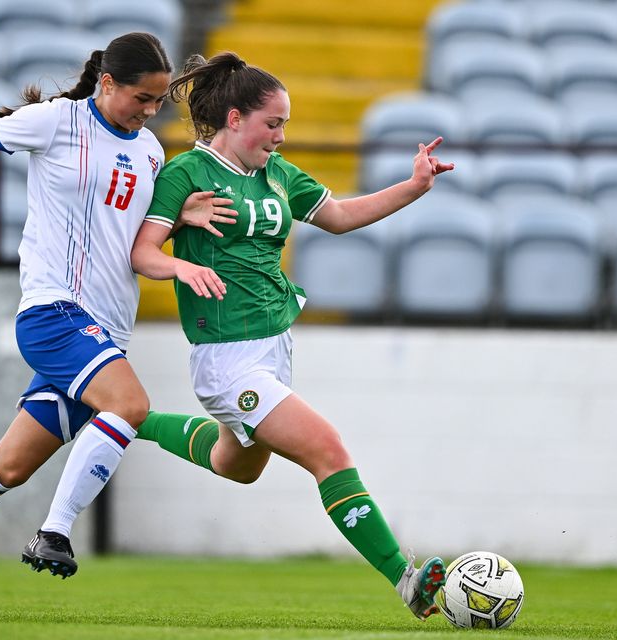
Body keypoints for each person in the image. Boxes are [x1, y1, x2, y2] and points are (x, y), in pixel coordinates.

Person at [0, 33, 235, 580]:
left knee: (7, 469)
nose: (151, 112)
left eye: (159, 102)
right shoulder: (57, 121)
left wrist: (180, 219)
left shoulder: (150, 151)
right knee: (128, 406)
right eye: (142, 99)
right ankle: (54, 531)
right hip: (52, 312)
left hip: (107, 330)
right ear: (107, 83)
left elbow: (129, 243)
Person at [128, 52, 455, 620]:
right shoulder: (186, 174)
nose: (280, 136)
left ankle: (130, 420)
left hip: (274, 348)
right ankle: (404, 577)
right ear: (234, 118)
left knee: (240, 465)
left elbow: (341, 216)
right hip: (226, 357)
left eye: (284, 125)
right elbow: (142, 253)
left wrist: (414, 187)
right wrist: (180, 263)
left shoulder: (277, 174)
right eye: (272, 123)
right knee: (327, 452)